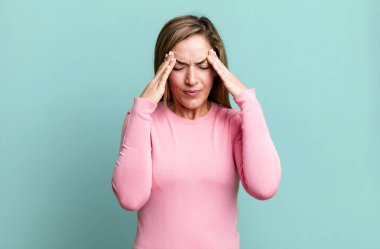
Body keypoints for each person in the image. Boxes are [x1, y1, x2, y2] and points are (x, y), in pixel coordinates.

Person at [111, 15, 282, 249]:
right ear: (164, 70)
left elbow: (265, 187)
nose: (192, 80)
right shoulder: (142, 121)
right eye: (179, 67)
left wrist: (248, 102)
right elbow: (131, 198)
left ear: (216, 70)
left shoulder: (233, 124)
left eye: (202, 66)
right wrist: (142, 108)